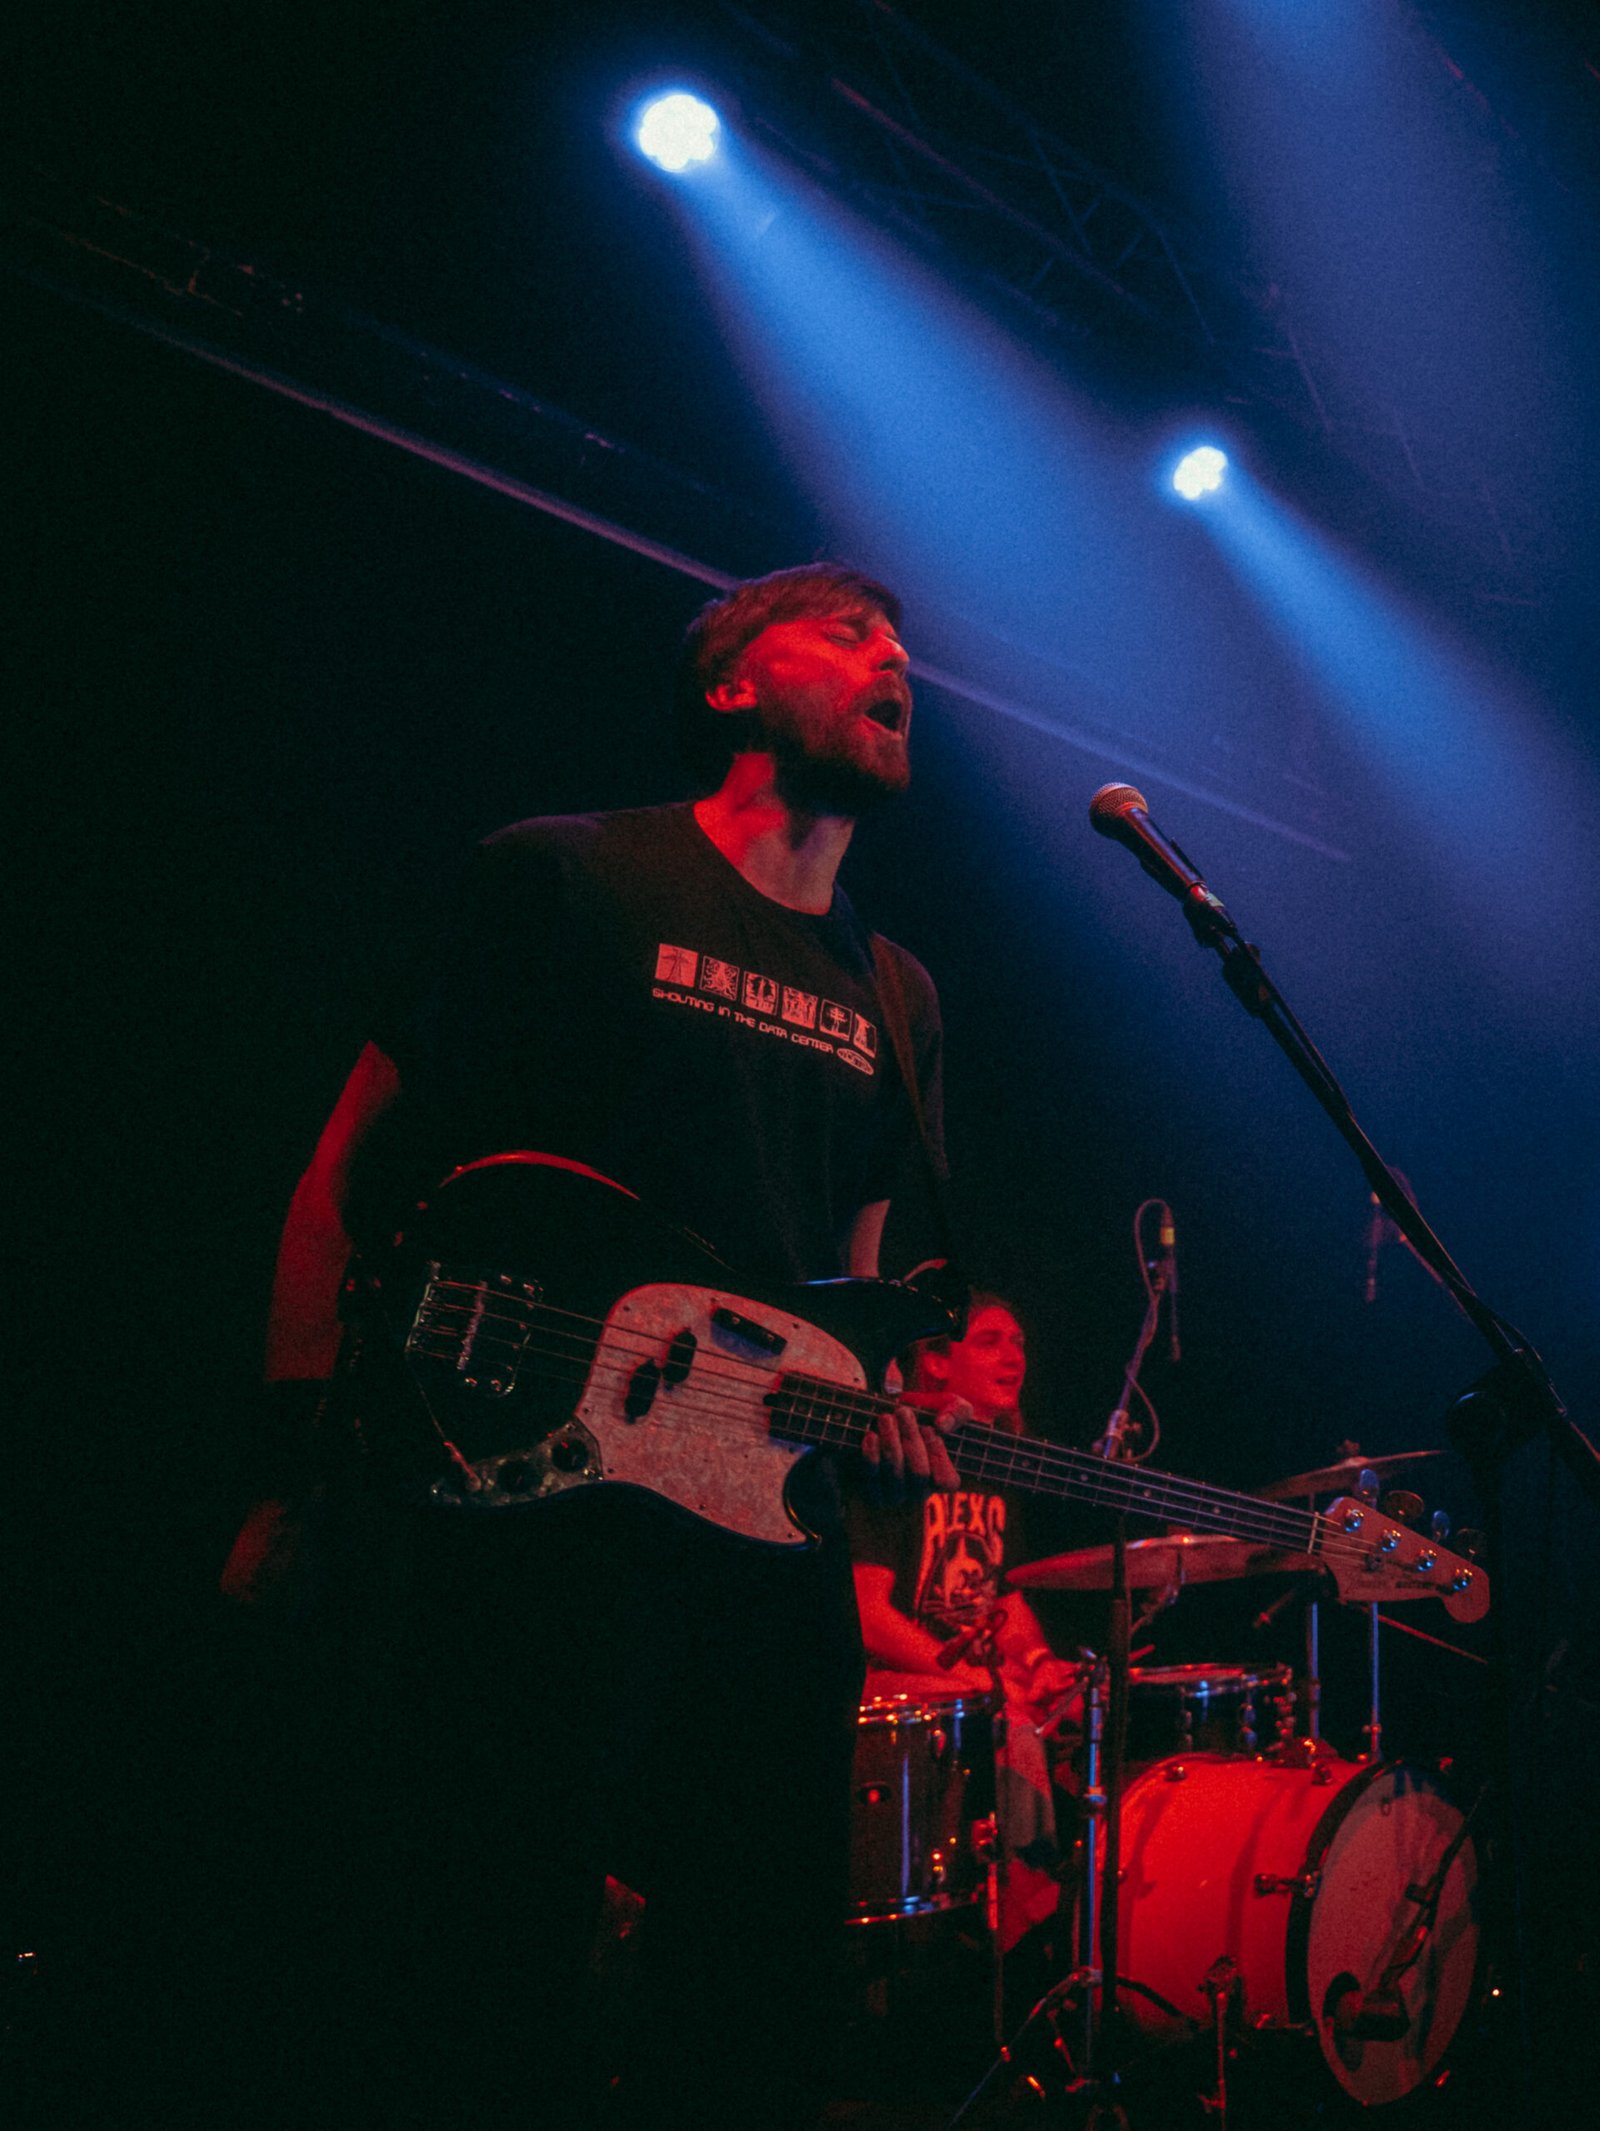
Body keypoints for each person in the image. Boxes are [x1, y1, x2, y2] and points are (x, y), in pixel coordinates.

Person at [217, 564, 962, 2131]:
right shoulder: (568, 875)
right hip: (535, 1506)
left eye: (897, 640)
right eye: (845, 631)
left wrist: (881, 1410)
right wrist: (293, 1467)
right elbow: (348, 1172)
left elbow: (856, 1292)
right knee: (489, 1952)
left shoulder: (898, 997)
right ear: (731, 686)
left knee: (755, 1984)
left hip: (767, 1547)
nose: (892, 651)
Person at [847, 1295, 1083, 1964]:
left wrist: (1037, 1661)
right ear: (936, 1362)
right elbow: (867, 1614)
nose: (1014, 1357)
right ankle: (1029, 1933)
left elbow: (997, 1592)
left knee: (1077, 1711)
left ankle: (1080, 1906)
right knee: (1011, 1723)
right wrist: (981, 1682)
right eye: (990, 1341)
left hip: (958, 1681)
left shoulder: (995, 1461)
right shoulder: (900, 1454)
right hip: (879, 1684)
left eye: (1019, 1342)